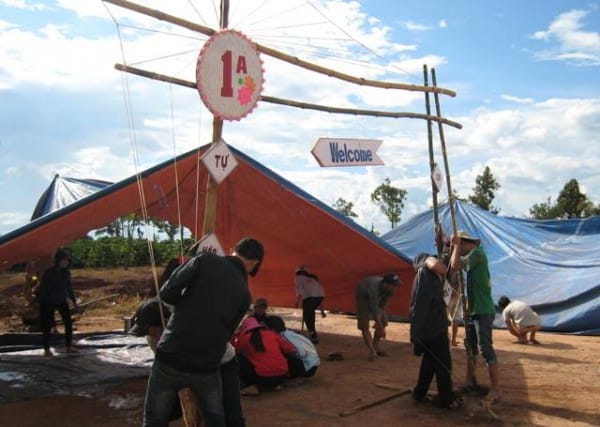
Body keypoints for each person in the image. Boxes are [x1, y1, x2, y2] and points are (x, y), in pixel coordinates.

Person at [143, 237, 264, 427]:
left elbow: (167, 294)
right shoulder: (245, 295)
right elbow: (226, 335)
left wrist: (188, 308)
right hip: (206, 366)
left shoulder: (204, 260)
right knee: (215, 419)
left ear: (232, 250)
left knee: (155, 419)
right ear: (254, 263)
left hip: (171, 356)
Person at [450, 230, 500, 402]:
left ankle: (495, 389)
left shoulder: (477, 254)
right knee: (470, 346)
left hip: (482, 310)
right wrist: (449, 243)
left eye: (460, 245)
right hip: (473, 310)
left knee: (485, 348)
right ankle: (470, 380)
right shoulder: (474, 255)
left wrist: (455, 246)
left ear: (465, 243)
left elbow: (455, 265)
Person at [409, 253, 459, 409]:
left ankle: (419, 393)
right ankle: (445, 398)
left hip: (432, 327)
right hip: (433, 329)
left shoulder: (431, 278)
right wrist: (416, 335)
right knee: (443, 365)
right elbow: (419, 307)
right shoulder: (425, 273)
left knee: (429, 363)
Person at [231, 316, 297, 392]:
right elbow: (291, 350)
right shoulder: (272, 334)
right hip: (282, 376)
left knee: (238, 358)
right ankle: (275, 384)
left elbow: (234, 351)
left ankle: (248, 383)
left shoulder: (245, 338)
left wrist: (235, 335)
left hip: (262, 378)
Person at [38, 248, 78, 356]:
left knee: (68, 323)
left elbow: (69, 288)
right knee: (47, 326)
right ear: (58, 260)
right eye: (64, 260)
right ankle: (47, 349)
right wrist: (42, 302)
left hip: (61, 300)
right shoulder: (49, 273)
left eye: (67, 260)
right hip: (48, 302)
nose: (65, 262)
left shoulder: (66, 273)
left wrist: (74, 300)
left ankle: (68, 346)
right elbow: (43, 288)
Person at [355, 272, 401, 361]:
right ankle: (372, 350)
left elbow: (382, 306)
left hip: (375, 299)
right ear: (386, 284)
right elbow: (374, 308)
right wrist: (379, 325)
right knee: (364, 325)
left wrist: (381, 324)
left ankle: (376, 346)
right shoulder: (373, 288)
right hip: (363, 296)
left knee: (383, 321)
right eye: (393, 285)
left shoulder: (390, 290)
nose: (394, 288)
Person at [294, 266, 326, 344]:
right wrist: (322, 311)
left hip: (309, 298)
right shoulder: (313, 279)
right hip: (320, 297)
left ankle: (313, 334)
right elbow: (318, 294)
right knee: (310, 314)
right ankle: (312, 332)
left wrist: (297, 302)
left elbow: (300, 290)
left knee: (307, 317)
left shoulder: (298, 278)